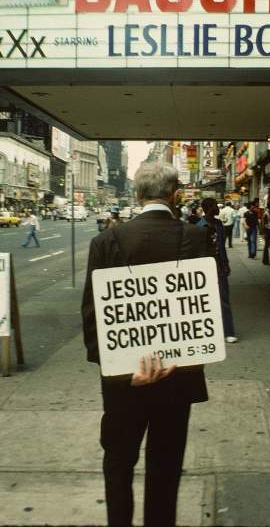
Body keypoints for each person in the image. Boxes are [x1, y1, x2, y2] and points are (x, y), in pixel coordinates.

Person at [81, 163, 214, 527]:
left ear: (138, 195)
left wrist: (124, 373)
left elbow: (93, 317)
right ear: (176, 195)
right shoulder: (195, 237)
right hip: (178, 378)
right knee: (165, 468)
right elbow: (204, 307)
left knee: (119, 464)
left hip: (124, 384)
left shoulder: (105, 241)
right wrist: (183, 355)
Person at [197, 197, 238, 343]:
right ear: (208, 208)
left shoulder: (219, 224)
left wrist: (226, 263)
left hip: (219, 266)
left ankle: (229, 331)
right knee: (205, 300)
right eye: (215, 205)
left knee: (224, 299)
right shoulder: (199, 227)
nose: (218, 207)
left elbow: (222, 247)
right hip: (205, 268)